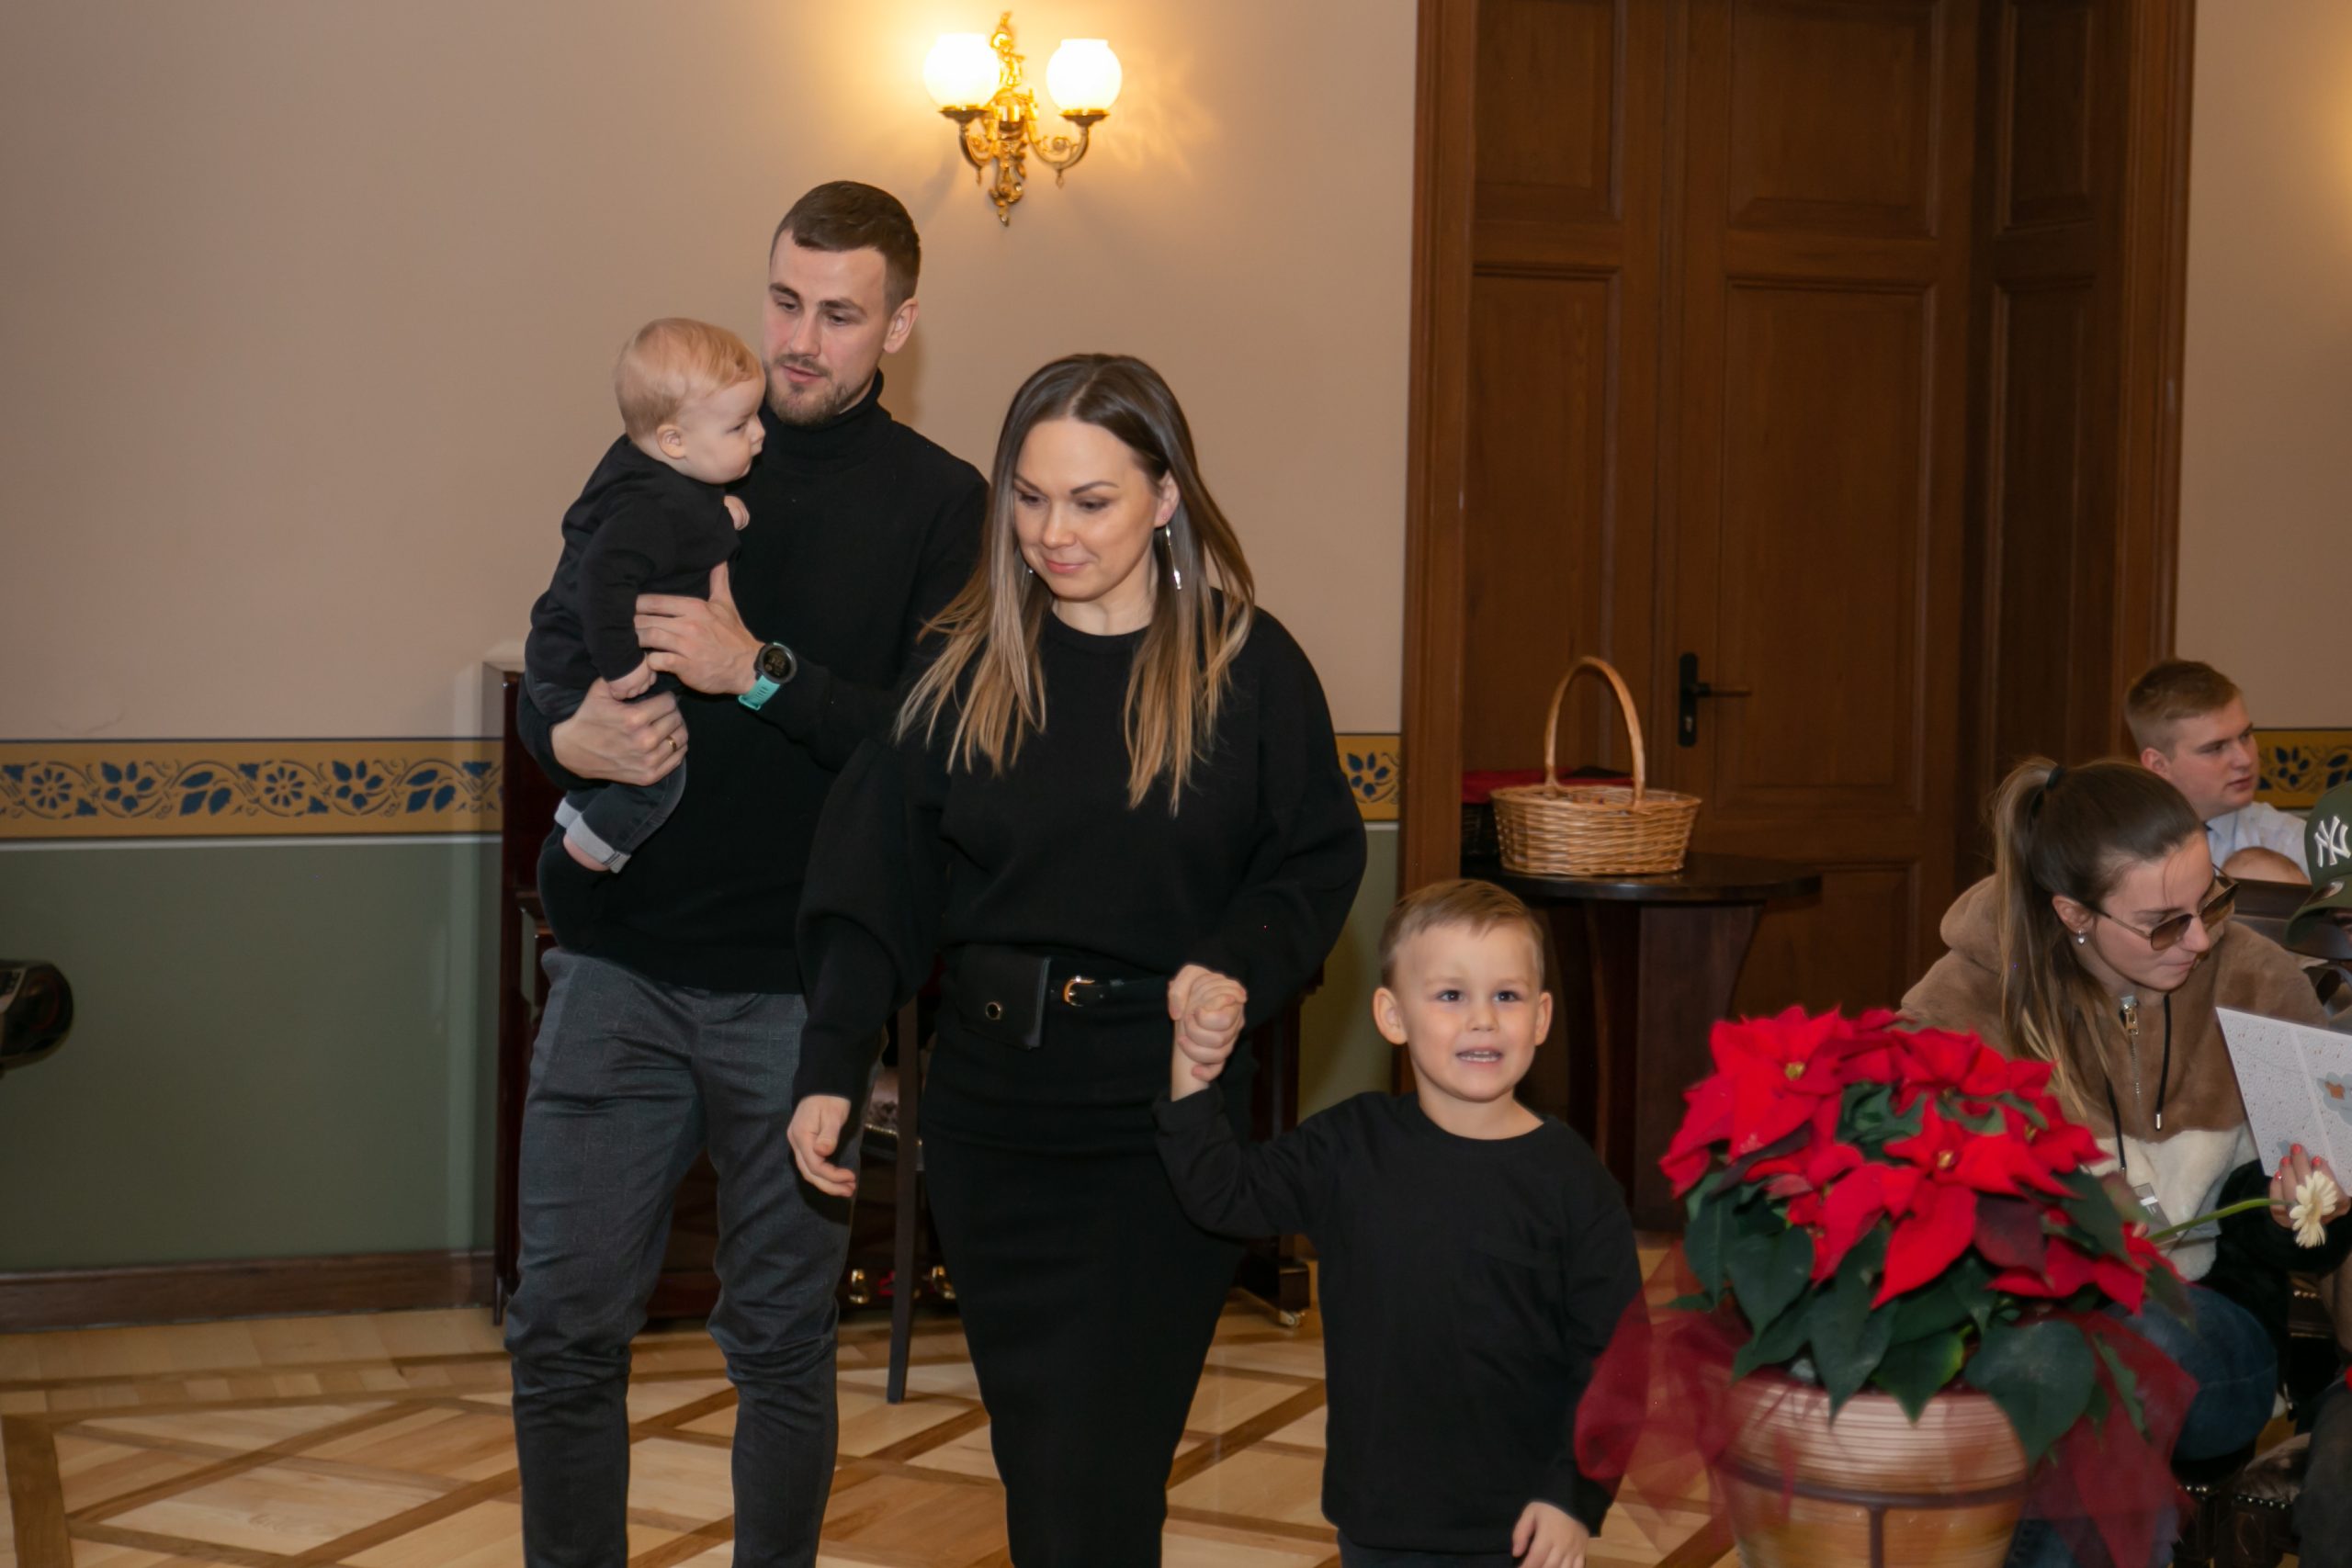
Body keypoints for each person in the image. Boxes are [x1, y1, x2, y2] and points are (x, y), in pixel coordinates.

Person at [785, 353, 1368, 1564]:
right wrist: (832, 1060)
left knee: (1101, 1469)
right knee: (1046, 1463)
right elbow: (873, 884)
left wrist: (1235, 966)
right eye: (1030, 497)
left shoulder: (1249, 667)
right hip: (996, 1125)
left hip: (1166, 1122)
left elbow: (1311, 860)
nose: (1053, 533)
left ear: (1165, 497)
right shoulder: (961, 670)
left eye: (1090, 501)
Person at [503, 182, 985, 1568]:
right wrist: (565, 732)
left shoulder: (941, 504)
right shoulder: (663, 444)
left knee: (778, 1342)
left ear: (901, 324)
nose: (799, 341)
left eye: (839, 314)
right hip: (617, 964)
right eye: (784, 301)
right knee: (560, 1331)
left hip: (798, 993)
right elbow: (555, 641)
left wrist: (755, 671)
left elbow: (934, 751)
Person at [1901, 758, 2352, 1568]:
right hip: (2021, 1339)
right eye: (2164, 923)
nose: (2203, 938)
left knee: (2111, 1337)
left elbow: (2315, 1231)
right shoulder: (1965, 1001)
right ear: (2072, 912)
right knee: (2070, 1359)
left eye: (2212, 898)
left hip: (2216, 1342)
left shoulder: (2257, 979)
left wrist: (2295, 1210)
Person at [1157, 878, 1637, 1568]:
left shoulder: (1574, 1182)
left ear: (1541, 1017)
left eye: (1507, 995)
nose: (1483, 1019)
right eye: (1451, 995)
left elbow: (1619, 1360)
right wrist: (1192, 1069)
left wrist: (1573, 1496)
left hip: (1521, 1528)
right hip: (1380, 1519)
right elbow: (1222, 1194)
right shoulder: (1348, 1147)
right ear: (1392, 1014)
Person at [524, 318, 764, 874]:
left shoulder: (649, 466)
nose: (759, 435)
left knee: (631, 759)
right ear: (674, 442)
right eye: (739, 426)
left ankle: (574, 821)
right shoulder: (650, 509)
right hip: (577, 669)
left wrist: (715, 510)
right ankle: (585, 859)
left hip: (558, 656)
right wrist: (624, 665)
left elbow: (675, 522)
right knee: (657, 776)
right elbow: (601, 580)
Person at [2126, 660, 2307, 881]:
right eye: (2215, 748)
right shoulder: (2115, 847)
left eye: (2245, 736)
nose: (2244, 759)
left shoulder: (2293, 844)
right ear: (2158, 765)